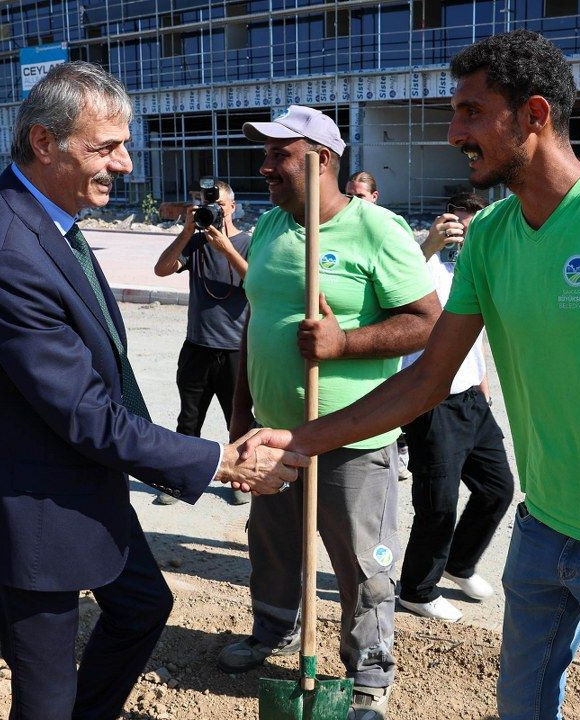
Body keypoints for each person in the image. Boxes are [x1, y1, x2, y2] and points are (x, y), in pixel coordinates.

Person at [243, 31, 580, 720]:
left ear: (534, 115)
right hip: (540, 533)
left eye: (471, 113)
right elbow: (425, 382)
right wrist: (300, 440)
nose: (455, 132)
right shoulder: (490, 235)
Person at [0, 62, 307, 720]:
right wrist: (219, 460)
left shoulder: (46, 220)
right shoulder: (6, 250)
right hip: (33, 514)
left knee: (143, 607)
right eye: (106, 147)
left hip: (84, 488)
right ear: (45, 144)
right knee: (46, 698)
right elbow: (81, 410)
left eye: (126, 143)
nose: (128, 164)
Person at [218, 105, 439, 720]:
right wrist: (240, 411)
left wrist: (345, 344)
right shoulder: (268, 230)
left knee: (362, 561)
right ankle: (274, 630)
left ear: (320, 160)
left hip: (352, 436)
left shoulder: (379, 230)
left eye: (277, 156)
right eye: (264, 155)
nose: (264, 168)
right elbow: (253, 324)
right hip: (272, 429)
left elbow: (425, 325)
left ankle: (369, 668)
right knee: (273, 545)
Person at [397, 191, 514, 623]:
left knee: (497, 487)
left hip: (470, 397)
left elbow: (475, 331)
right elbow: (395, 285)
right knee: (438, 502)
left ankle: (459, 563)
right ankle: (417, 588)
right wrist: (429, 245)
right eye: (463, 223)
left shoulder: (476, 265)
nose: (469, 231)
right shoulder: (423, 262)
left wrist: (483, 383)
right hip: (431, 399)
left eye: (478, 222)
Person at [154, 179, 251, 505]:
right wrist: (186, 233)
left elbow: (256, 284)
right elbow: (161, 270)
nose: (215, 210)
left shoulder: (249, 242)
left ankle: (239, 481)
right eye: (211, 205)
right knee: (188, 419)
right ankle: (179, 482)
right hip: (197, 346)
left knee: (238, 421)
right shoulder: (195, 244)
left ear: (233, 207)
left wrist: (227, 249)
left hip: (236, 349)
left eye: (220, 205)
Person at [342, 169, 412, 482]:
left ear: (374, 197)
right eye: (348, 194)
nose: (352, 201)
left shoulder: (389, 230)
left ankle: (398, 448)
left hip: (383, 342)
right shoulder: (341, 230)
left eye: (358, 196)